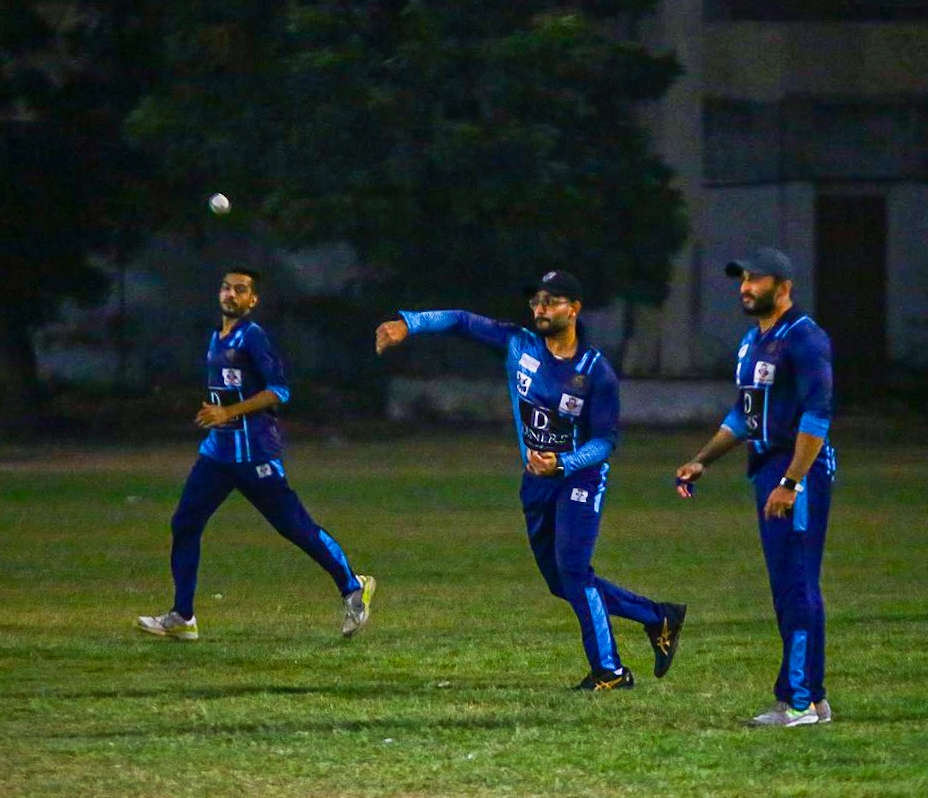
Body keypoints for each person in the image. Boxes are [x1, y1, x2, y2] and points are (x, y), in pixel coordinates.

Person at [375, 270, 686, 691]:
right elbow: (461, 320)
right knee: (561, 582)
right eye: (536, 301)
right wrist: (408, 324)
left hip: (580, 480)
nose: (540, 308)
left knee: (573, 570)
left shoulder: (596, 372)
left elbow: (605, 443)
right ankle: (658, 617)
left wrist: (562, 463)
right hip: (537, 481)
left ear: (574, 310)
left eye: (551, 301)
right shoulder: (519, 345)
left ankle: (610, 672)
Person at [136, 268, 375, 640]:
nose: (231, 294)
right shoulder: (215, 337)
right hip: (217, 455)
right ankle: (183, 617)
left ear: (253, 299)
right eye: (226, 287)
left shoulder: (253, 336)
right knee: (185, 524)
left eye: (240, 289)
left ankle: (353, 586)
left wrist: (227, 412)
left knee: (295, 527)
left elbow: (280, 391)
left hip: (255, 455)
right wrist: (219, 415)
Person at [675, 248, 835, 726]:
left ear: (783, 287)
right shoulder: (752, 341)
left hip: (796, 470)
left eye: (755, 279)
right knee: (792, 583)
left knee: (795, 584)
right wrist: (702, 459)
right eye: (742, 279)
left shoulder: (805, 339)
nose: (745, 288)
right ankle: (813, 698)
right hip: (768, 468)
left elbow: (817, 416)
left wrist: (791, 481)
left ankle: (800, 702)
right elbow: (744, 415)